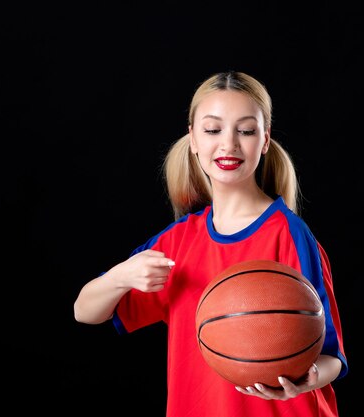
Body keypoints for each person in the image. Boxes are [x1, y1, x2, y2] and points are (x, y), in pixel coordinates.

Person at [73, 71, 348, 417]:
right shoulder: (177, 243)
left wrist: (307, 379)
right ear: (193, 138)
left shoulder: (289, 235)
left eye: (246, 131)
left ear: (264, 140)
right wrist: (120, 276)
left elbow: (332, 358)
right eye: (213, 129)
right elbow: (84, 312)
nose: (229, 145)